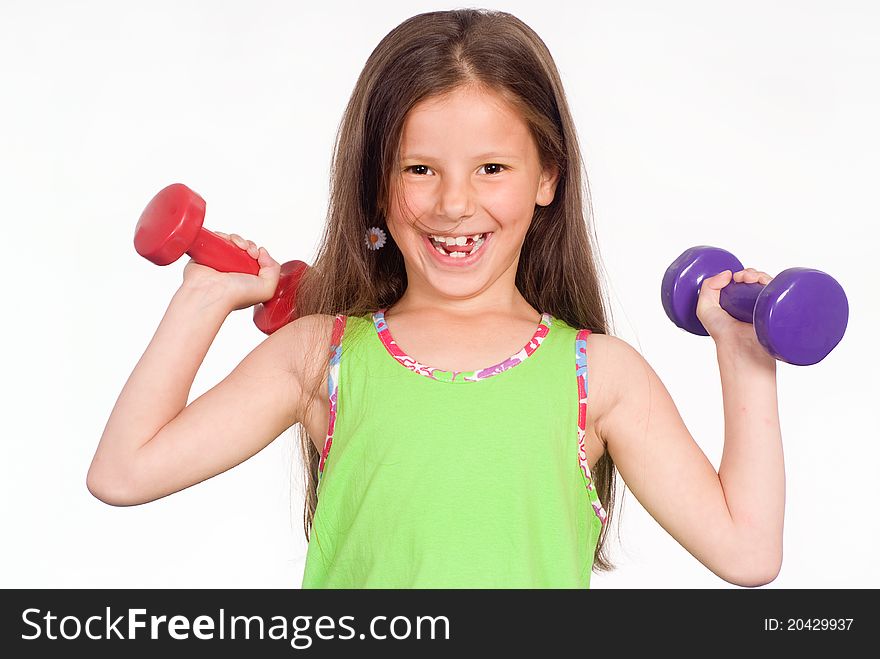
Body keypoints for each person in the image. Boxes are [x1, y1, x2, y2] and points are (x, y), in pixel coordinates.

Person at [87, 8, 784, 589]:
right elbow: (123, 471)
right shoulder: (320, 354)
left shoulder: (597, 374)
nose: (454, 203)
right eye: (420, 168)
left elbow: (746, 552)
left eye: (492, 168)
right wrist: (203, 297)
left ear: (547, 176)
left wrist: (745, 354)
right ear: (376, 180)